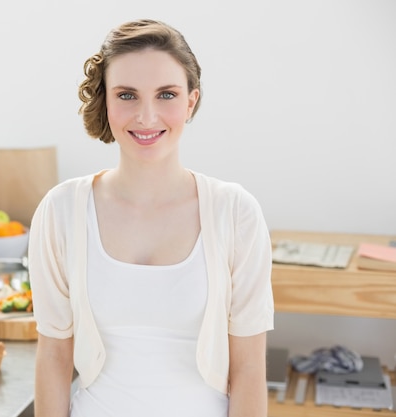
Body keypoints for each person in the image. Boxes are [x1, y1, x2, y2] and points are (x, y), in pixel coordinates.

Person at [28, 18, 274, 417]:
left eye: (166, 94)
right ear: (104, 100)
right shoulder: (61, 210)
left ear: (191, 101)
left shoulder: (235, 212)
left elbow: (248, 370)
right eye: (127, 95)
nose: (146, 116)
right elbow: (54, 356)